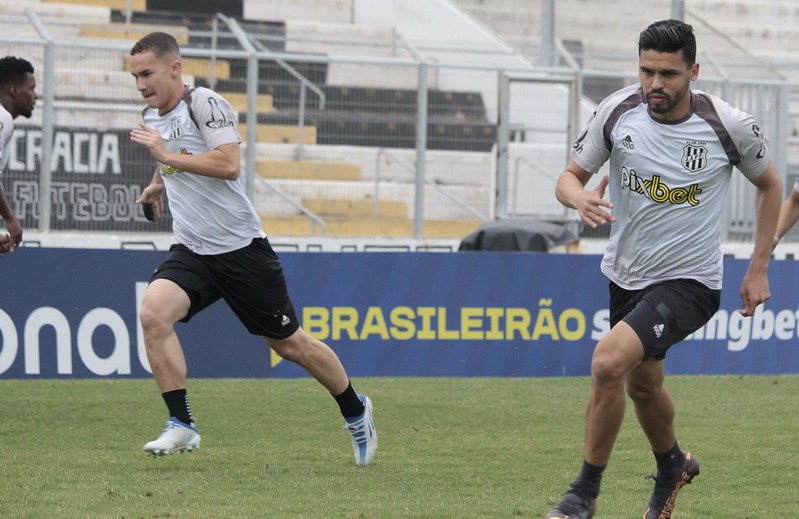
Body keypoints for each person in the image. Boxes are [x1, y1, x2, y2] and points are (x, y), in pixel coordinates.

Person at [546, 19, 781, 519]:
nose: (656, 84)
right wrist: (580, 198)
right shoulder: (617, 110)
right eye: (647, 71)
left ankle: (582, 496)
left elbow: (771, 186)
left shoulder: (729, 124)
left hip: (691, 283)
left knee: (609, 362)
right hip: (626, 275)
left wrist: (759, 266)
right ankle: (674, 464)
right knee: (642, 385)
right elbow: (567, 178)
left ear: (693, 71)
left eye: (669, 74)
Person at [127, 32, 377, 466]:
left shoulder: (205, 103)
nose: (140, 84)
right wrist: (156, 182)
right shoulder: (153, 113)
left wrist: (166, 155)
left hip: (241, 250)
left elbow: (227, 164)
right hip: (193, 249)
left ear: (174, 67)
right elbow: (173, 153)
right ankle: (181, 424)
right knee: (152, 314)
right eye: (135, 76)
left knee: (290, 345)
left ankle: (356, 411)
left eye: (147, 73)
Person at [0, 56, 37, 255]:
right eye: (31, 88)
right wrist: (10, 219)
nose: (35, 96)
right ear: (14, 90)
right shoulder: (2, 118)